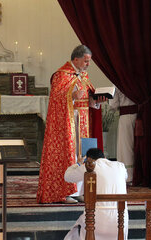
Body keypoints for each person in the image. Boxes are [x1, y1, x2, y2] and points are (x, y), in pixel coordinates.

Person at [36, 45, 105, 204]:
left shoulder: (84, 76)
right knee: (70, 154)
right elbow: (57, 98)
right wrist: (72, 95)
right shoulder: (61, 75)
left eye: (89, 61)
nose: (88, 64)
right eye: (86, 61)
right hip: (68, 121)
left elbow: (89, 99)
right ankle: (66, 192)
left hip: (83, 120)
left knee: (82, 155)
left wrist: (96, 101)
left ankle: (79, 191)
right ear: (76, 59)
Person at [63, 148, 129, 240]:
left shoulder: (89, 166)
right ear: (104, 157)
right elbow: (125, 177)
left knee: (74, 234)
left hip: (95, 219)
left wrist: (78, 164)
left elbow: (67, 176)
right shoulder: (120, 166)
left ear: (89, 159)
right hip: (121, 220)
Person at [108, 86, 137, 184]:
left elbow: (113, 105)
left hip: (125, 118)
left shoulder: (117, 83)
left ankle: (128, 176)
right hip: (140, 116)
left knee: (125, 148)